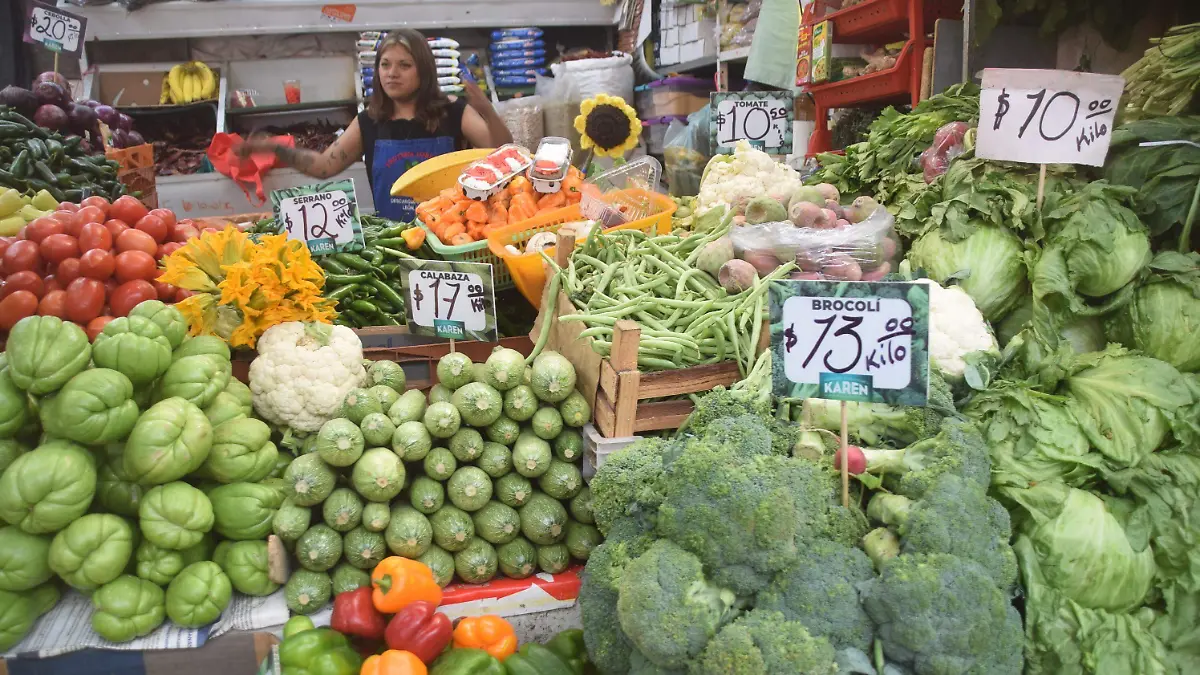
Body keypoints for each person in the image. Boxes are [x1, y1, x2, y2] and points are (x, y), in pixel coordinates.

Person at [235, 28, 512, 220]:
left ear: (424, 71)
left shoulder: (452, 111)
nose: (392, 73)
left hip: (449, 236)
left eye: (405, 65)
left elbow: (502, 151)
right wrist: (275, 148)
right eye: (385, 64)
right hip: (392, 245)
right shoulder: (369, 120)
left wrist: (486, 109)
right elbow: (323, 166)